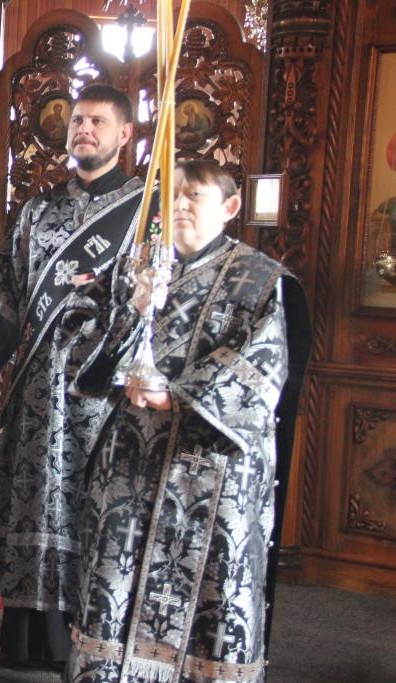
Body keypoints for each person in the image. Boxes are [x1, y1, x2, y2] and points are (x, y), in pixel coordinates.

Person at [66, 160, 310, 682]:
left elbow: (263, 367)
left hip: (211, 469)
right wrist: (133, 311)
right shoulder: (135, 269)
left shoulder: (262, 280)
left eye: (193, 195)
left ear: (229, 207)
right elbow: (81, 345)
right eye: (171, 194)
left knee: (212, 593)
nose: (178, 205)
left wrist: (175, 396)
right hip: (132, 464)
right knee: (116, 580)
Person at [0, 84, 150, 670]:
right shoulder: (38, 211)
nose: (83, 129)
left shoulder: (147, 212)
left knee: (92, 508)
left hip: (103, 389)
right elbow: (5, 291)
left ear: (124, 134)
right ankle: (31, 637)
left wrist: (112, 296)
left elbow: (160, 302)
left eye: (97, 122)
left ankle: (93, 637)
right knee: (37, 503)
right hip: (40, 388)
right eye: (77, 120)